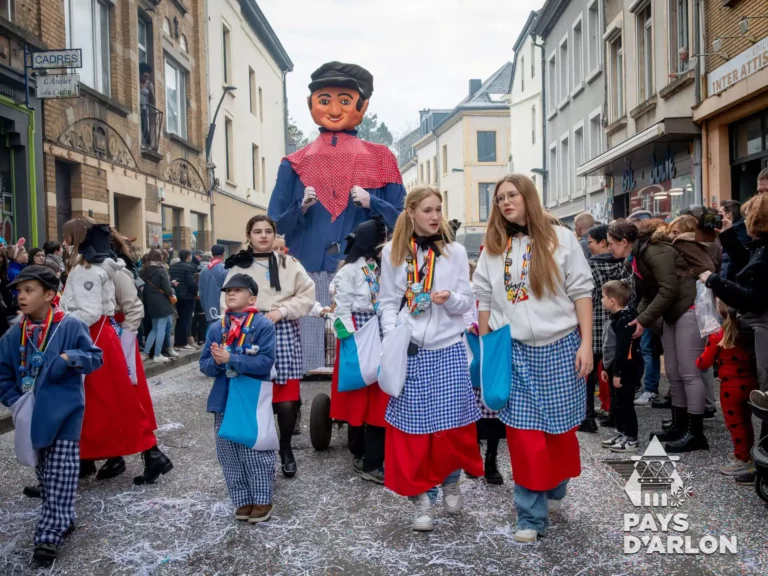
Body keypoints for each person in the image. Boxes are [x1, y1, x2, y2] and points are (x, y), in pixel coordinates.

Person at [473, 174, 593, 543]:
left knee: (559, 434)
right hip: (516, 350)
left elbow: (582, 292)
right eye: (499, 199)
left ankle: (555, 486)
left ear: (528, 196)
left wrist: (586, 343)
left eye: (511, 195)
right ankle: (530, 517)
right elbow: (484, 298)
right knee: (525, 439)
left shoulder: (562, 240)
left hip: (560, 348)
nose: (505, 202)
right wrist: (487, 348)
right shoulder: (493, 248)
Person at [268, 61, 405, 374]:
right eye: (324, 100)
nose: (334, 109)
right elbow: (273, 226)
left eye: (344, 100)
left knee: (366, 351)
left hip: (366, 271)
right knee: (310, 361)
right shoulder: (294, 163)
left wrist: (374, 202)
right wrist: (299, 208)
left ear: (362, 105)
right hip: (308, 270)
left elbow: (403, 219)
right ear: (310, 104)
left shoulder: (382, 158)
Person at [379, 185, 482, 533]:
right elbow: (388, 301)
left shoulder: (452, 252)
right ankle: (422, 497)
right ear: (411, 212)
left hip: (448, 346)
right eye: (427, 210)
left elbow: (468, 302)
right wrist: (395, 335)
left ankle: (450, 479)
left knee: (450, 425)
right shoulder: (392, 253)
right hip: (411, 351)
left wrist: (449, 297)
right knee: (413, 429)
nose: (435, 216)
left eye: (439, 209)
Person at [0, 266, 103, 565]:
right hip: (31, 416)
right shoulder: (12, 335)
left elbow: (95, 356)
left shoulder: (68, 326)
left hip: (66, 414)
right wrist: (14, 399)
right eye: (18, 291)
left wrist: (69, 358)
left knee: (61, 473)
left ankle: (47, 535)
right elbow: (4, 374)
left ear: (49, 294)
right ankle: (64, 516)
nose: (21, 296)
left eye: (28, 290)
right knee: (45, 473)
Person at [61, 219, 172, 483]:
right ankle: (87, 458)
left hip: (97, 338)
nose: (64, 242)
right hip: (102, 338)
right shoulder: (95, 266)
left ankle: (149, 453)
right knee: (101, 404)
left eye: (67, 236)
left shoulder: (90, 269)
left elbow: (100, 311)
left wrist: (60, 320)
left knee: (112, 403)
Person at [607, 219, 714, 453]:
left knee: (689, 373)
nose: (609, 248)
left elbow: (668, 289)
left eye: (611, 244)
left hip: (688, 309)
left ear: (624, 242)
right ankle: (680, 424)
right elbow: (650, 292)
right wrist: (640, 318)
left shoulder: (654, 251)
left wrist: (643, 319)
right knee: (675, 373)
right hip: (673, 312)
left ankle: (695, 433)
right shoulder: (638, 255)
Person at [222, 215, 315, 478]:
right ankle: (257, 447)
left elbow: (307, 294)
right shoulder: (238, 266)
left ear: (274, 235)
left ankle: (285, 447)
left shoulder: (289, 263)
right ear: (249, 236)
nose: (263, 236)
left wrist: (283, 311)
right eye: (257, 231)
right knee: (254, 392)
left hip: (282, 328)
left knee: (286, 400)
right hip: (247, 328)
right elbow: (227, 297)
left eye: (268, 231)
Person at [702, 193, 768, 485]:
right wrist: (727, 234)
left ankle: (761, 463)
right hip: (758, 330)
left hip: (764, 330)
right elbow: (748, 263)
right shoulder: (761, 248)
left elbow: (753, 296)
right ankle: (758, 460)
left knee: (767, 401)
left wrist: (714, 282)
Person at [200, 273, 278, 523]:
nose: (231, 294)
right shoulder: (216, 327)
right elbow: (204, 365)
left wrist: (232, 359)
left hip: (251, 398)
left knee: (254, 449)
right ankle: (242, 500)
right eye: (228, 291)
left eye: (238, 290)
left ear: (252, 297)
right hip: (223, 397)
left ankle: (262, 499)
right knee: (229, 454)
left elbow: (266, 362)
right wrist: (216, 361)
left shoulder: (263, 325)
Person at [330, 218, 388, 483]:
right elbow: (340, 308)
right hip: (358, 333)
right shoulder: (350, 271)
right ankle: (359, 450)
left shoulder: (381, 267)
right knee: (358, 392)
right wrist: (350, 340)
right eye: (381, 238)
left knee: (378, 392)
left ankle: (373, 456)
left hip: (380, 329)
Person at [696, 301, 757, 480]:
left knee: (735, 423)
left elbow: (704, 362)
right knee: (746, 420)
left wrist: (697, 360)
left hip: (730, 387)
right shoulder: (748, 332)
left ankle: (742, 457)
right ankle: (748, 450)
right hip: (751, 383)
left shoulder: (718, 334)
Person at [582, 224, 634, 432]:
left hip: (595, 322)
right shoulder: (625, 265)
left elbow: (589, 296)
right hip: (619, 322)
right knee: (614, 369)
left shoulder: (591, 267)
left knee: (590, 372)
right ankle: (614, 414)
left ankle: (588, 417)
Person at [599, 280, 642, 453]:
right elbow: (608, 347)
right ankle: (621, 431)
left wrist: (618, 372)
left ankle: (631, 436)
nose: (601, 300)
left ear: (612, 301)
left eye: (603, 297)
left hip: (625, 370)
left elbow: (623, 350)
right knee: (617, 403)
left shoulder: (624, 322)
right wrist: (605, 368)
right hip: (614, 368)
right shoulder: (616, 319)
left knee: (626, 404)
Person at [141, 249, 177, 362]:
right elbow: (167, 289)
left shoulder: (145, 270)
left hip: (150, 302)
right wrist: (172, 292)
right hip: (162, 302)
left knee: (154, 329)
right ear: (160, 257)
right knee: (161, 329)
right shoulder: (161, 270)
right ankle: (157, 354)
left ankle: (146, 353)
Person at [170, 249, 199, 351]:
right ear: (188, 256)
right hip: (187, 297)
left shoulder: (172, 267)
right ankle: (182, 342)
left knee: (178, 319)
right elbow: (191, 283)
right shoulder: (189, 267)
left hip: (176, 296)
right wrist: (196, 292)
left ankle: (178, 342)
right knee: (186, 320)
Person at [719, 200, 749, 281]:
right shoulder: (737, 231)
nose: (717, 216)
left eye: (720, 213)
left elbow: (728, 262)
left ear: (729, 214)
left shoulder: (736, 233)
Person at [200, 244, 227, 327]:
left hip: (208, 306)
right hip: (222, 306)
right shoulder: (225, 268)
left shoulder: (204, 270)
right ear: (223, 254)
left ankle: (210, 340)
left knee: (211, 329)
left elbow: (201, 291)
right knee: (223, 330)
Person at [139, 62, 156, 147]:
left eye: (147, 77)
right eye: (144, 76)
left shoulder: (149, 84)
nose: (145, 79)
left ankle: (146, 142)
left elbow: (153, 100)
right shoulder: (136, 82)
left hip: (144, 108)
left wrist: (151, 91)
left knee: (144, 125)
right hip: (137, 106)